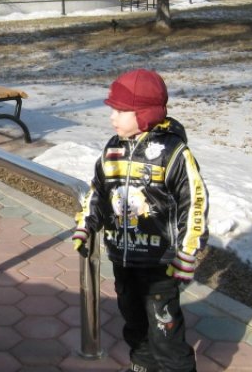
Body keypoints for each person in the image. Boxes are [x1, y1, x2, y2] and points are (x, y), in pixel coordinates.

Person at [73, 69, 209, 372]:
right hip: (123, 257)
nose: (112, 117)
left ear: (145, 114)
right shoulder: (113, 149)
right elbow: (98, 191)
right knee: (133, 322)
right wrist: (86, 223)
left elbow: (195, 203)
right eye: (112, 109)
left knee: (165, 330)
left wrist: (188, 252)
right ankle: (142, 363)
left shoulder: (172, 153)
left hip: (159, 263)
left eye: (121, 111)